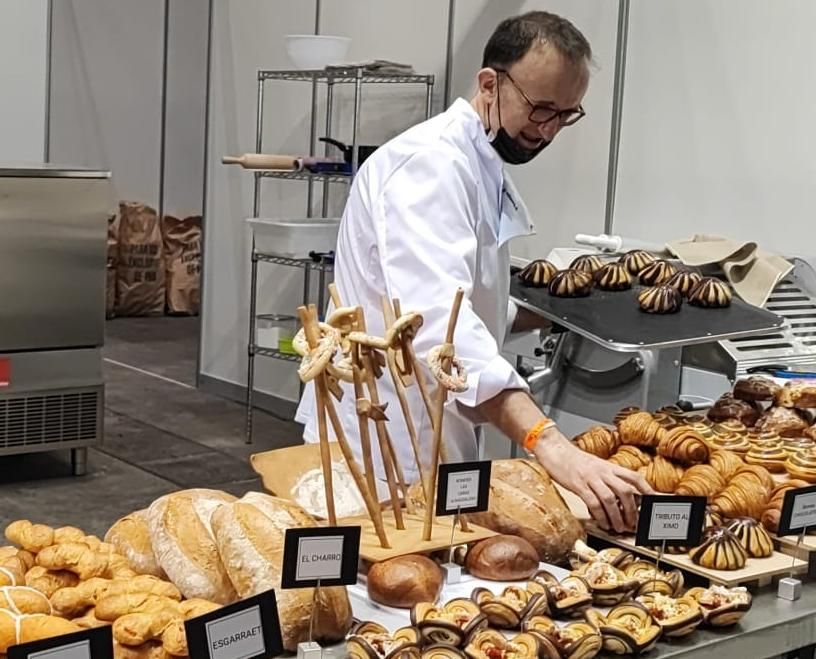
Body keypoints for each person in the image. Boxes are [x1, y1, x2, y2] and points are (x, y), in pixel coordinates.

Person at [296, 10, 651, 532]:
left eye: (566, 115)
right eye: (540, 109)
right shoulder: (428, 167)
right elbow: (441, 327)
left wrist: (556, 315)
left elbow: (472, 301)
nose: (547, 130)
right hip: (385, 443)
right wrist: (548, 443)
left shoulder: (478, 162)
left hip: (436, 437)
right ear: (490, 83)